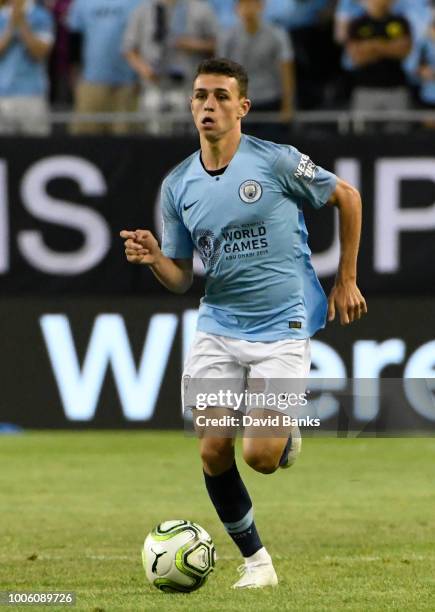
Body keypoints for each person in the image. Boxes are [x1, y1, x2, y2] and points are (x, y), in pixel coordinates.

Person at [120, 58, 367, 589]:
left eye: (220, 97)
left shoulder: (277, 162)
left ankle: (279, 437)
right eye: (200, 96)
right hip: (219, 322)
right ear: (191, 105)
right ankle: (258, 563)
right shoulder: (177, 184)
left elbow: (348, 196)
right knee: (212, 447)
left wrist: (345, 279)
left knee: (258, 456)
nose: (208, 106)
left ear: (243, 108)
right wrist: (155, 257)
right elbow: (182, 277)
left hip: (284, 320)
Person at [123, 0, 217, 135]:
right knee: (152, 134)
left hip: (188, 88)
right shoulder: (144, 10)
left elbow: (216, 45)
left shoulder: (200, 9)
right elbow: (129, 49)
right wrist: (144, 69)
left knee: (185, 136)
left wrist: (193, 44)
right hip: (153, 87)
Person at [66, 0, 143, 135]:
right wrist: (74, 76)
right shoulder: (81, 3)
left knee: (126, 141)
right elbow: (74, 41)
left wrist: (139, 78)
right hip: (91, 83)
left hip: (128, 85)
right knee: (85, 140)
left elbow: (144, 40)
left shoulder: (140, 2)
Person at [218, 0, 295, 124]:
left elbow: (286, 69)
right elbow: (221, 73)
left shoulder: (277, 34)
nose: (248, 9)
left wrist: (288, 105)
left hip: (270, 100)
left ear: (261, 6)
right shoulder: (227, 38)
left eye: (252, 3)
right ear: (236, 8)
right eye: (243, 4)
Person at [345, 0, 412, 113]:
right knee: (363, 130)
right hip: (365, 88)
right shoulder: (357, 24)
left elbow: (403, 51)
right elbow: (357, 57)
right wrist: (389, 46)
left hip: (396, 88)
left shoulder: (401, 22)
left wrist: (371, 46)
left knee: (398, 129)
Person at [0, 0, 54, 135]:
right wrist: (11, 25)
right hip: (2, 95)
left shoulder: (41, 16)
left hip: (32, 94)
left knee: (37, 149)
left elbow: (39, 53)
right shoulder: (1, 16)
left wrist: (22, 24)